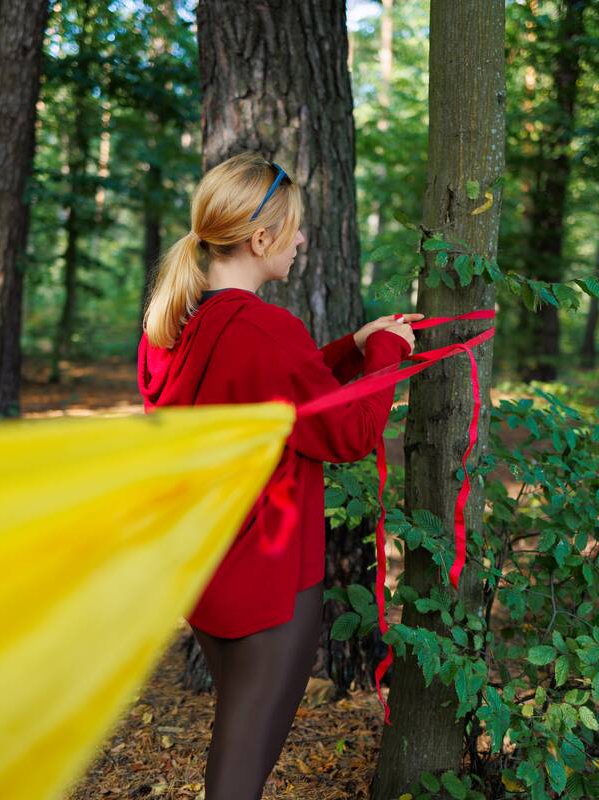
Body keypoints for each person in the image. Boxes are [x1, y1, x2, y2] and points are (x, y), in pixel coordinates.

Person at [136, 151, 419, 799]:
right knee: (241, 766)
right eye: (294, 228)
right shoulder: (266, 329)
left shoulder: (173, 323)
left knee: (240, 748)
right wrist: (384, 352)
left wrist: (350, 348)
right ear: (260, 238)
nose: (301, 240)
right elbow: (346, 433)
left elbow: (268, 392)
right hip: (270, 581)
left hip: (206, 569)